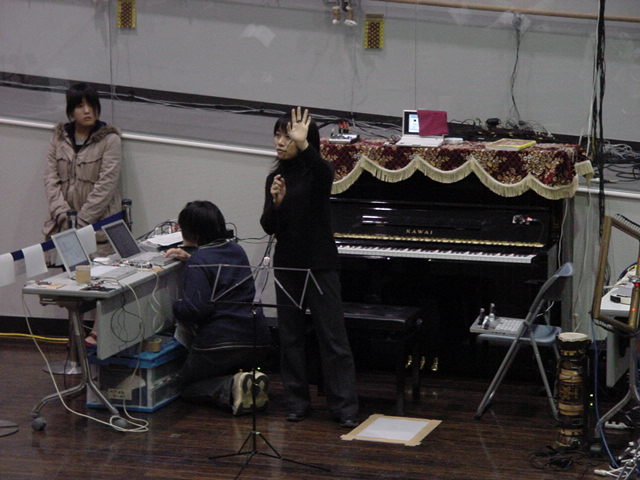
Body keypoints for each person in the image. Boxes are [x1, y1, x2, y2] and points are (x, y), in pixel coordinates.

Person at [260, 107, 359, 428]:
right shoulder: (275, 178)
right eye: (277, 136)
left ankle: (344, 406)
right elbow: (268, 226)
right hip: (288, 265)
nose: (280, 142)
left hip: (319, 263)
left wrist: (304, 145)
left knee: (332, 337)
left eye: (286, 136)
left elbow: (325, 172)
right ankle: (296, 402)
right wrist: (276, 203)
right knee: (290, 337)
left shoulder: (316, 173)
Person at [167, 201, 272, 415]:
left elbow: (196, 310)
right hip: (257, 339)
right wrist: (192, 260)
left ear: (191, 232)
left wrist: (174, 306)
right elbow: (217, 269)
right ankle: (245, 380)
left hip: (220, 344)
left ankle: (231, 386)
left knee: (184, 386)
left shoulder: (199, 261)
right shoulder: (237, 250)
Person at [43, 83, 123, 347]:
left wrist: (82, 220)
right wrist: (62, 214)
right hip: (64, 225)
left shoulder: (110, 139)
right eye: (80, 106)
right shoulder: (59, 138)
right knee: (71, 284)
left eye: (91, 105)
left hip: (99, 225)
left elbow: (107, 184)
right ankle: (75, 342)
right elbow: (51, 179)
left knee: (102, 281)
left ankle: (96, 337)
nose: (87, 111)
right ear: (71, 110)